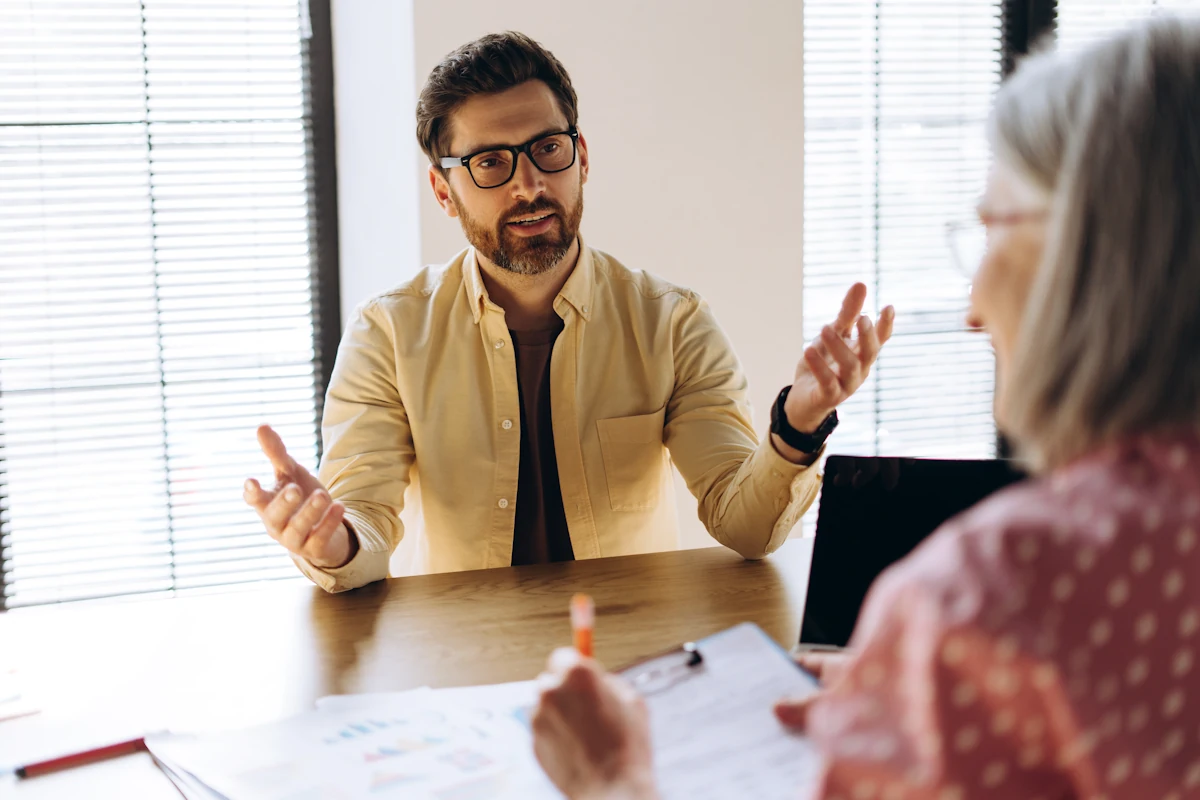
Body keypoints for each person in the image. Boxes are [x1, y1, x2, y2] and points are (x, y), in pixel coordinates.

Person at [531, 18, 1200, 800]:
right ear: (441, 189)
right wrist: (924, 677)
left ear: (1092, 254)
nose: (973, 311)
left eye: (991, 230)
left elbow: (744, 523)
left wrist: (613, 780)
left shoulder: (988, 595)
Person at [240, 31, 893, 591]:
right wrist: (330, 543)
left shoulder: (672, 323)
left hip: (628, 657)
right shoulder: (386, 333)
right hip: (462, 663)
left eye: (548, 149)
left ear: (582, 156)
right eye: (490, 163)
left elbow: (746, 526)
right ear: (443, 191)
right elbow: (364, 529)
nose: (529, 185)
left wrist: (799, 424)